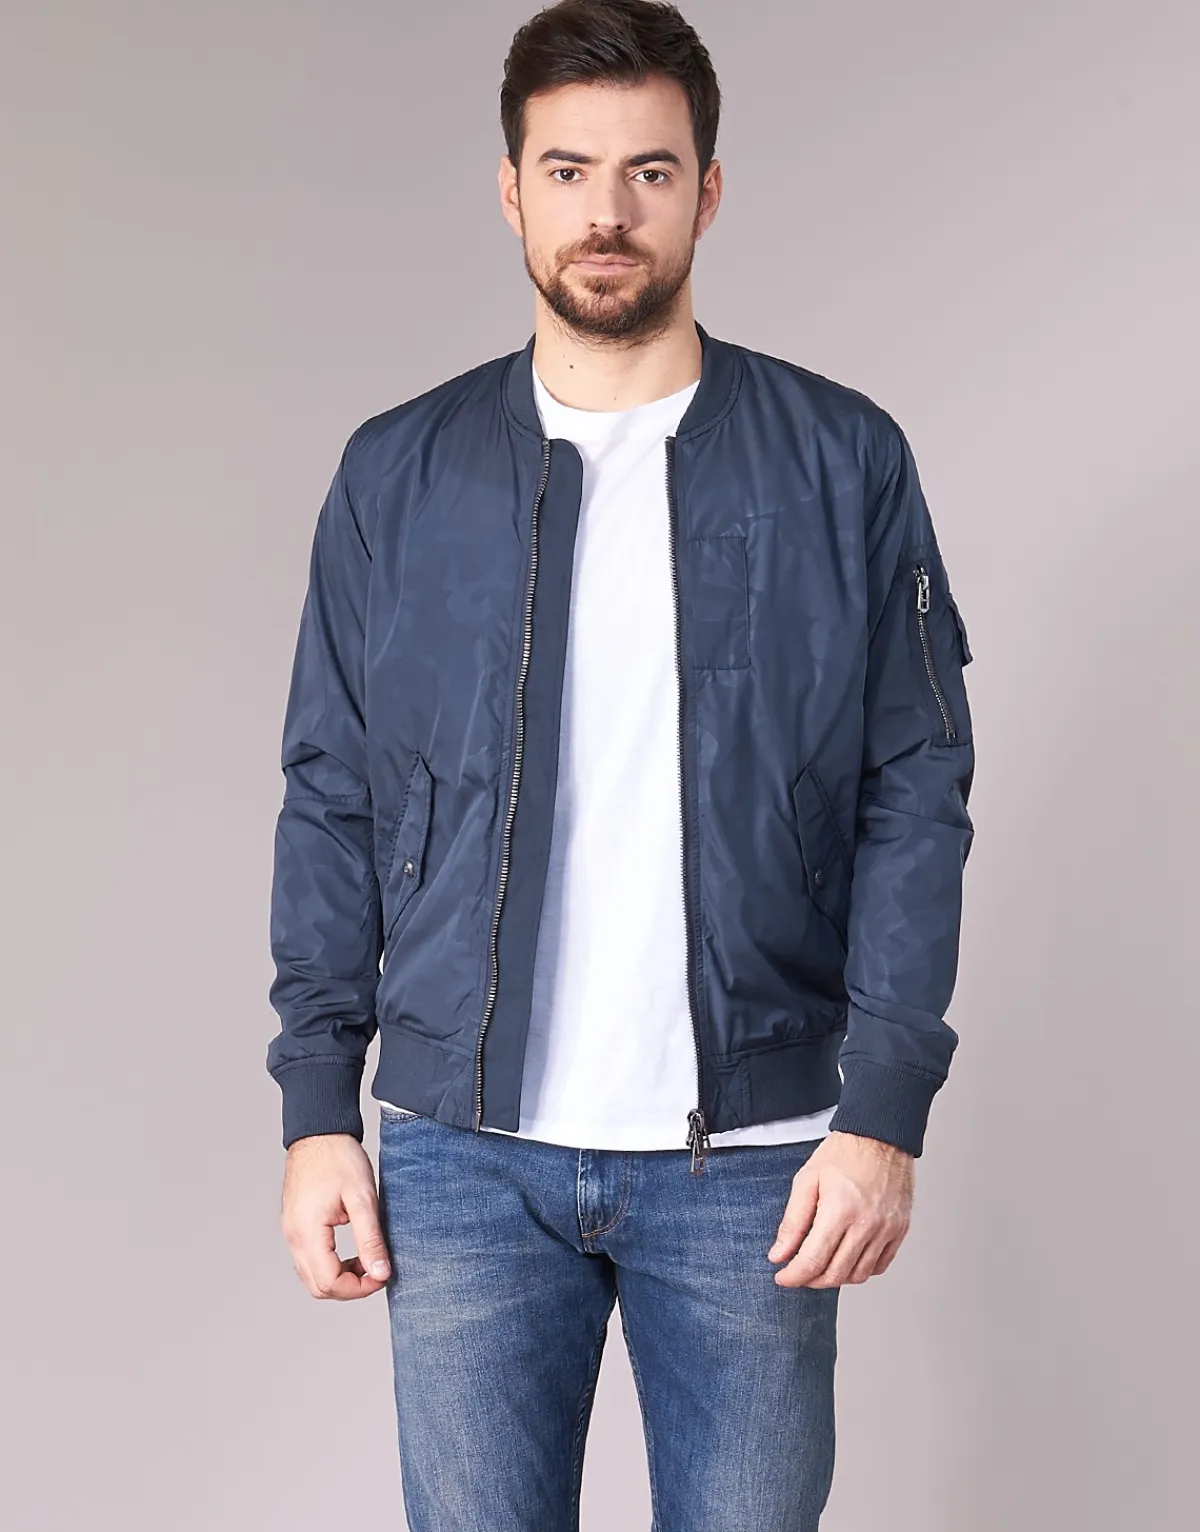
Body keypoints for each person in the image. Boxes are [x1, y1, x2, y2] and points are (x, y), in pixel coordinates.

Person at [265, 2, 976, 1527]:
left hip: (756, 1160)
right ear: (510, 190)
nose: (608, 212)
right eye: (568, 170)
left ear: (707, 192)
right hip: (463, 1157)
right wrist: (318, 1108)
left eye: (649, 172)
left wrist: (883, 1112)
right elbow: (332, 794)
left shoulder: (842, 458)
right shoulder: (398, 472)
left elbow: (915, 792)